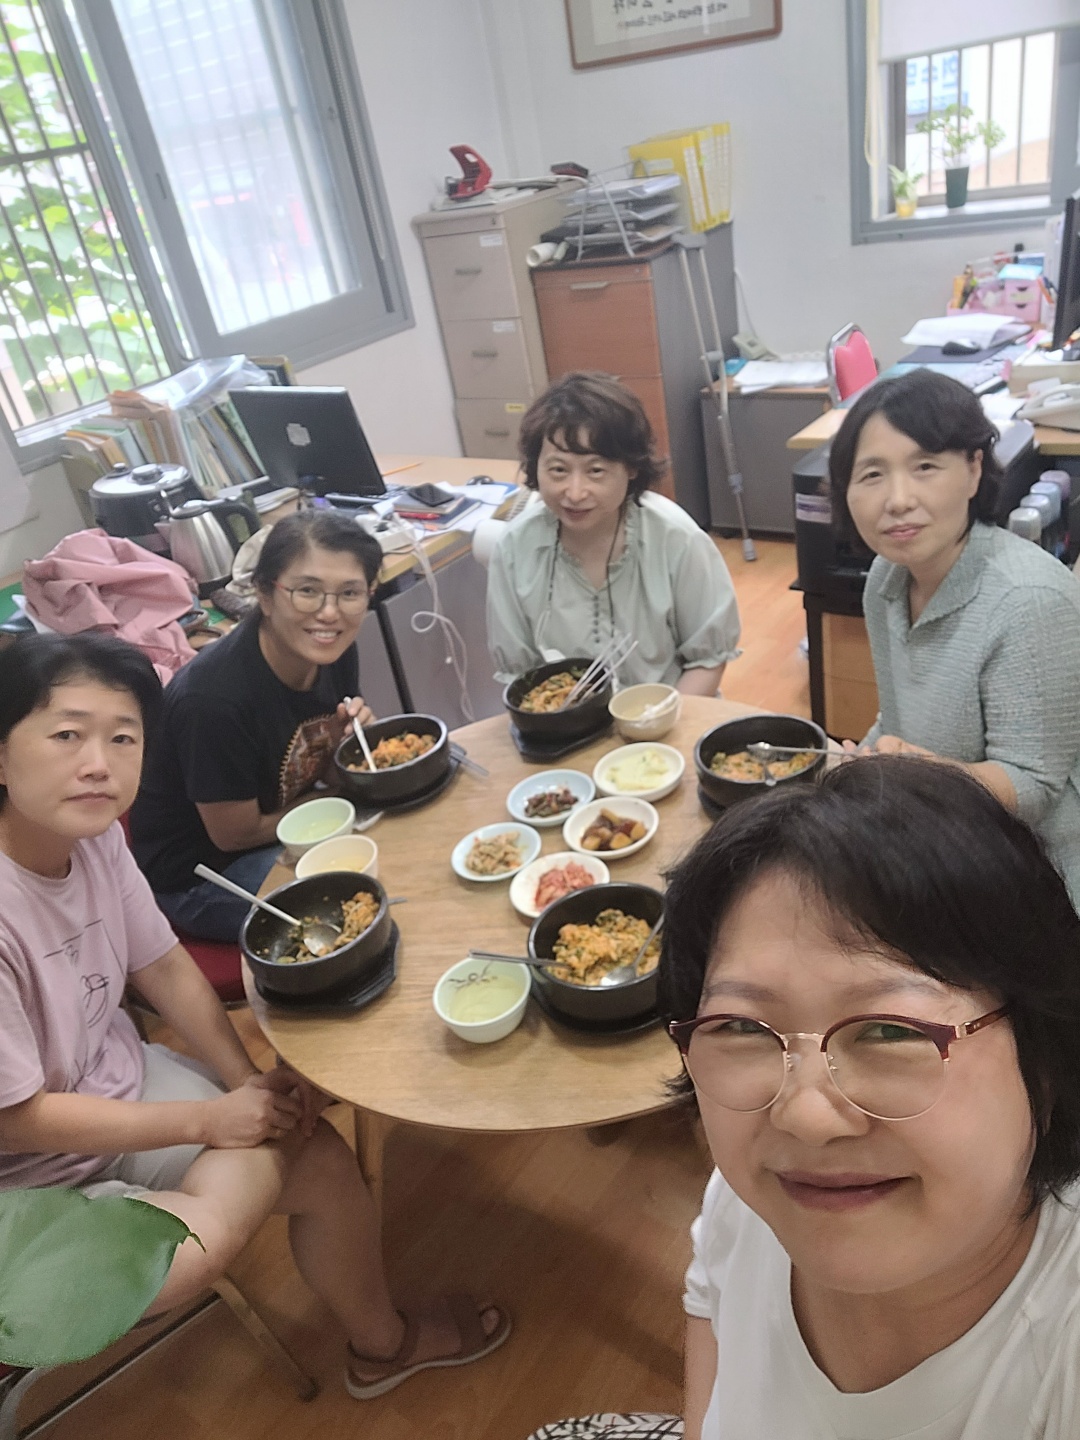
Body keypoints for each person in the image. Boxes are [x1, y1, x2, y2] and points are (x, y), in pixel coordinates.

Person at [0, 632, 509, 1397]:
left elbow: (163, 964)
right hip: (22, 1190)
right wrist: (210, 1122)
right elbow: (19, 1120)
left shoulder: (93, 838)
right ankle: (195, 1214)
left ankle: (383, 1346)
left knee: (316, 1153)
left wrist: (251, 1086)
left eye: (124, 737)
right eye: (67, 735)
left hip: (115, 1087)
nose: (99, 763)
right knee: (185, 1258)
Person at [532, 758, 1080, 1439]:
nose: (803, 1116)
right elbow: (710, 1306)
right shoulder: (754, 1198)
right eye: (741, 1028)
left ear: (1046, 1057)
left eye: (890, 1030)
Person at [828, 367, 1080, 906]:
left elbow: (1033, 788)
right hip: (936, 835)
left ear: (973, 470)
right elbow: (899, 719)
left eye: (925, 466)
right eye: (871, 474)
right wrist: (868, 758)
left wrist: (915, 777)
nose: (898, 499)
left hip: (1035, 875)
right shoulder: (887, 578)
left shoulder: (1028, 599)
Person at [131, 509, 382, 941]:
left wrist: (346, 749)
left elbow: (317, 770)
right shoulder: (213, 700)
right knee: (358, 898)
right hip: (205, 875)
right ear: (264, 594)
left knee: (393, 840)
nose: (329, 613)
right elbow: (234, 835)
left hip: (287, 825)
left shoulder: (331, 652)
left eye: (350, 593)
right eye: (307, 591)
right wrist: (340, 799)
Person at [486, 372, 740, 694]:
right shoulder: (515, 547)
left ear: (631, 467)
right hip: (562, 719)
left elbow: (707, 659)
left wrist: (659, 718)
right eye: (558, 470)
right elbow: (519, 676)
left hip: (670, 712)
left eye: (596, 471)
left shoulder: (676, 538)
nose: (575, 493)